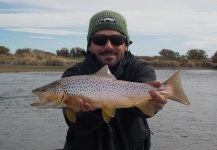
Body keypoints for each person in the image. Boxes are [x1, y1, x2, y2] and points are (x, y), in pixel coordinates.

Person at [61, 10, 167, 150]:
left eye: (117, 40)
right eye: (100, 40)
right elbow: (77, 126)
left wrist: (152, 106)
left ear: (126, 44)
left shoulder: (141, 69)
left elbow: (141, 110)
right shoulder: (73, 75)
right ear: (89, 45)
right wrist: (95, 110)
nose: (108, 46)